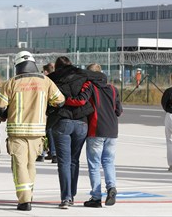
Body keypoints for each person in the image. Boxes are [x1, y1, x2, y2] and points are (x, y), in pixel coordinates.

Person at [0, 51, 65, 211]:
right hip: (37, 131)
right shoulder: (45, 81)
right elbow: (60, 101)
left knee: (19, 165)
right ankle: (29, 194)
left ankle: (24, 200)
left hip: (17, 131)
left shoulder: (11, 82)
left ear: (17, 65)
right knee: (31, 164)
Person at [47, 57, 106, 209]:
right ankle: (71, 195)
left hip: (62, 120)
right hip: (81, 122)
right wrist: (80, 71)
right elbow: (102, 78)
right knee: (74, 160)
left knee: (64, 162)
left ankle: (66, 198)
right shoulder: (82, 75)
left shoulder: (51, 79)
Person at [64, 63, 122, 208]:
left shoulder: (90, 86)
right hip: (113, 130)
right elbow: (119, 111)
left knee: (94, 164)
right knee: (108, 161)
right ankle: (111, 187)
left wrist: (64, 100)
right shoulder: (113, 89)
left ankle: (96, 197)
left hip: (96, 129)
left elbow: (81, 100)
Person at [37, 62, 57, 163]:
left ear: (45, 71)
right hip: (54, 110)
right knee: (51, 131)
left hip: (44, 109)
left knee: (44, 132)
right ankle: (53, 153)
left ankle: (42, 153)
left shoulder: (45, 81)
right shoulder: (57, 80)